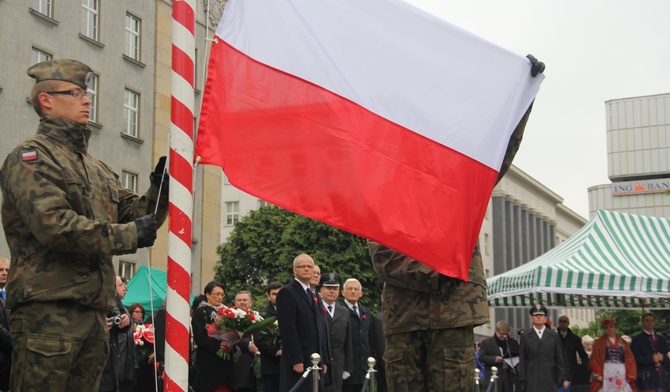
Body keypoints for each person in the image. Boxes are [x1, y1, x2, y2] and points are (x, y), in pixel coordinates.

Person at [367, 55, 544, 392]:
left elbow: (501, 149)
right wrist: (444, 267)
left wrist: (524, 96)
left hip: (454, 318)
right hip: (405, 321)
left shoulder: (460, 190)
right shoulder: (385, 199)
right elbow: (385, 262)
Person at [0, 58, 169, 391]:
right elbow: (54, 224)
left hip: (93, 315)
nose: (87, 99)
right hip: (48, 313)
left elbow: (131, 214)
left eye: (86, 92)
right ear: (46, 100)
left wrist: (161, 188)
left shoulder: (95, 167)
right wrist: (130, 234)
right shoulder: (30, 157)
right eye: (75, 92)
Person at [275, 253, 329, 392]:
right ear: (294, 270)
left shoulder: (314, 294)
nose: (306, 269)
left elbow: (320, 327)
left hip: (315, 358)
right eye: (302, 266)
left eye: (309, 266)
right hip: (299, 359)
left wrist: (324, 359)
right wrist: (295, 358)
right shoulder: (287, 292)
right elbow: (288, 328)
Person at [192, 281, 237, 392]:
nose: (220, 297)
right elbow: (200, 338)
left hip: (226, 364)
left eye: (222, 294)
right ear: (207, 294)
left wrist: (229, 344)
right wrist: (218, 346)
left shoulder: (228, 312)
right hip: (208, 363)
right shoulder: (200, 312)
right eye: (217, 294)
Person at [518, 305, 569, 391]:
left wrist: (562, 377)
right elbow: (522, 358)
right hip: (532, 377)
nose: (538, 317)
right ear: (532, 319)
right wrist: (522, 378)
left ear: (545, 319)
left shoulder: (553, 335)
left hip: (550, 377)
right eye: (536, 315)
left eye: (541, 315)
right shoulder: (526, 336)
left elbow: (560, 358)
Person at [319, 272, 353, 392]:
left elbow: (348, 341)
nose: (332, 291)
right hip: (321, 360)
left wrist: (348, 367)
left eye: (335, 288)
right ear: (321, 289)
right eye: (328, 288)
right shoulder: (315, 308)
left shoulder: (344, 311)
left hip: (338, 360)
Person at [100, 276, 135, 392]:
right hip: (94, 353)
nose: (124, 288)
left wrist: (127, 321)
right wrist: (99, 324)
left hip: (112, 354)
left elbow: (123, 318)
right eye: (120, 285)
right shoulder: (94, 298)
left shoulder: (116, 302)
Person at [341, 278, 374, 392]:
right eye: (350, 289)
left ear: (361, 293)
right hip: (347, 367)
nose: (353, 291)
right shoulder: (339, 311)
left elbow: (370, 338)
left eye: (356, 289)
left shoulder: (366, 312)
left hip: (363, 367)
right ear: (343, 292)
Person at [588, 318, 637, 392]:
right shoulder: (599, 343)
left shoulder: (623, 343)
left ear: (615, 327)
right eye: (606, 328)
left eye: (611, 327)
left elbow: (630, 360)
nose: (609, 329)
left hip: (621, 371)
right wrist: (597, 375)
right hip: (606, 371)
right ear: (604, 329)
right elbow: (594, 359)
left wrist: (630, 376)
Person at [255, 282, 283, 392]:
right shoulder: (263, 314)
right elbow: (259, 339)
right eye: (274, 294)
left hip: (288, 365)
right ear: (268, 296)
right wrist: (277, 351)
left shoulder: (291, 311)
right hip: (270, 366)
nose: (278, 297)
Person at [631, 313, 669, 392]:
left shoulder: (661, 339)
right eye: (647, 321)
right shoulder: (637, 340)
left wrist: (663, 357)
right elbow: (635, 358)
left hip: (661, 379)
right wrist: (651, 359)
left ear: (654, 323)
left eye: (651, 321)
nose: (649, 323)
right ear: (642, 322)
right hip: (646, 380)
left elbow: (667, 357)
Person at [479, 320, 521, 392]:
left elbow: (518, 356)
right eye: (501, 334)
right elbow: (481, 357)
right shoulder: (487, 342)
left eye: (505, 334)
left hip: (509, 377)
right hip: (494, 376)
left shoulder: (513, 343)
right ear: (496, 331)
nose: (503, 337)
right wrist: (494, 359)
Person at [232, 291, 259, 392]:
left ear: (250, 303)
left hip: (256, 366)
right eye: (239, 300)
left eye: (245, 300)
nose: (242, 302)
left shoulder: (257, 317)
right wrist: (248, 345)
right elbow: (230, 335)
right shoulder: (229, 317)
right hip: (238, 364)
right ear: (235, 303)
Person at [557, 315, 590, 391]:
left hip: (571, 370)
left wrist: (585, 368)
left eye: (564, 321)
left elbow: (583, 354)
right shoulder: (553, 337)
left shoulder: (574, 338)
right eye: (560, 321)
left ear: (568, 323)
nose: (562, 323)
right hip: (557, 370)